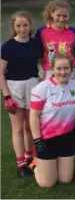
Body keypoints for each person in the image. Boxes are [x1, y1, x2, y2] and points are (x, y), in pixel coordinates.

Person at [1, 11, 43, 177]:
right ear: (13, 27)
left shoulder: (35, 44)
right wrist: (6, 96)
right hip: (14, 88)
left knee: (29, 126)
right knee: (18, 128)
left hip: (33, 85)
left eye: (25, 25)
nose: (22, 28)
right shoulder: (8, 46)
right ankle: (20, 164)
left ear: (30, 25)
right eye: (18, 25)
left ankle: (29, 158)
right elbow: (1, 73)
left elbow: (41, 64)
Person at [27, 54, 75, 188]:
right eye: (59, 68)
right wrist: (37, 140)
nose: (63, 72)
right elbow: (34, 116)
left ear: (71, 69)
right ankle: (34, 165)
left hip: (68, 137)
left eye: (66, 68)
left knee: (65, 180)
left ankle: (50, 166)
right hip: (47, 139)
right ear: (52, 69)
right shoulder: (42, 88)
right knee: (47, 183)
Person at [35, 0, 75, 81]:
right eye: (58, 15)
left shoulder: (73, 31)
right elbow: (39, 53)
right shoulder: (41, 31)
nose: (61, 19)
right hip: (50, 70)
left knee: (72, 93)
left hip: (70, 70)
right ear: (51, 14)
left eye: (65, 16)